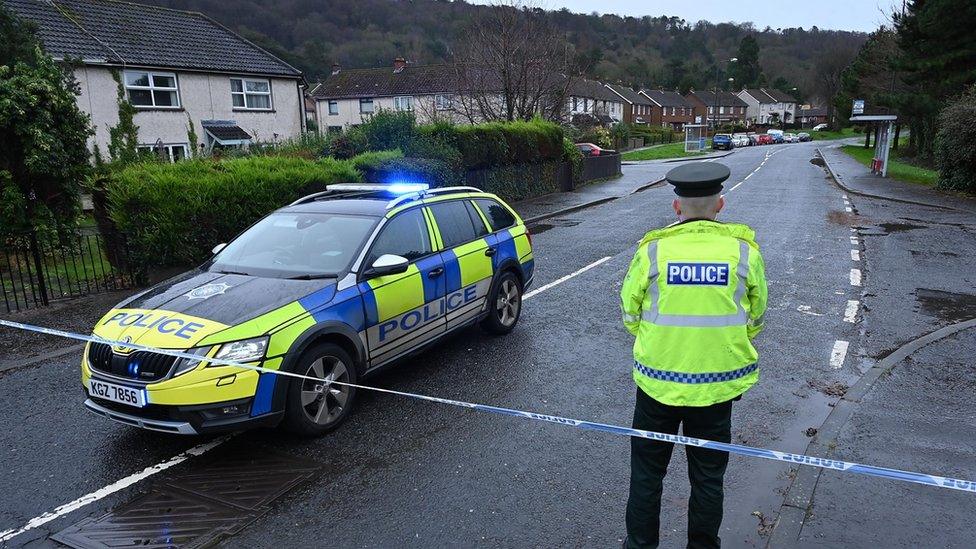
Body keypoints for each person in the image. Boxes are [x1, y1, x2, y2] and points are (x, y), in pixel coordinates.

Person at [620, 162, 768, 549]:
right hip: (717, 391)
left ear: (676, 207)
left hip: (655, 389)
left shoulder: (652, 251)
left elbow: (629, 312)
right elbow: (756, 316)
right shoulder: (743, 252)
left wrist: (660, 343)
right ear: (720, 204)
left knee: (647, 476)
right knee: (707, 479)